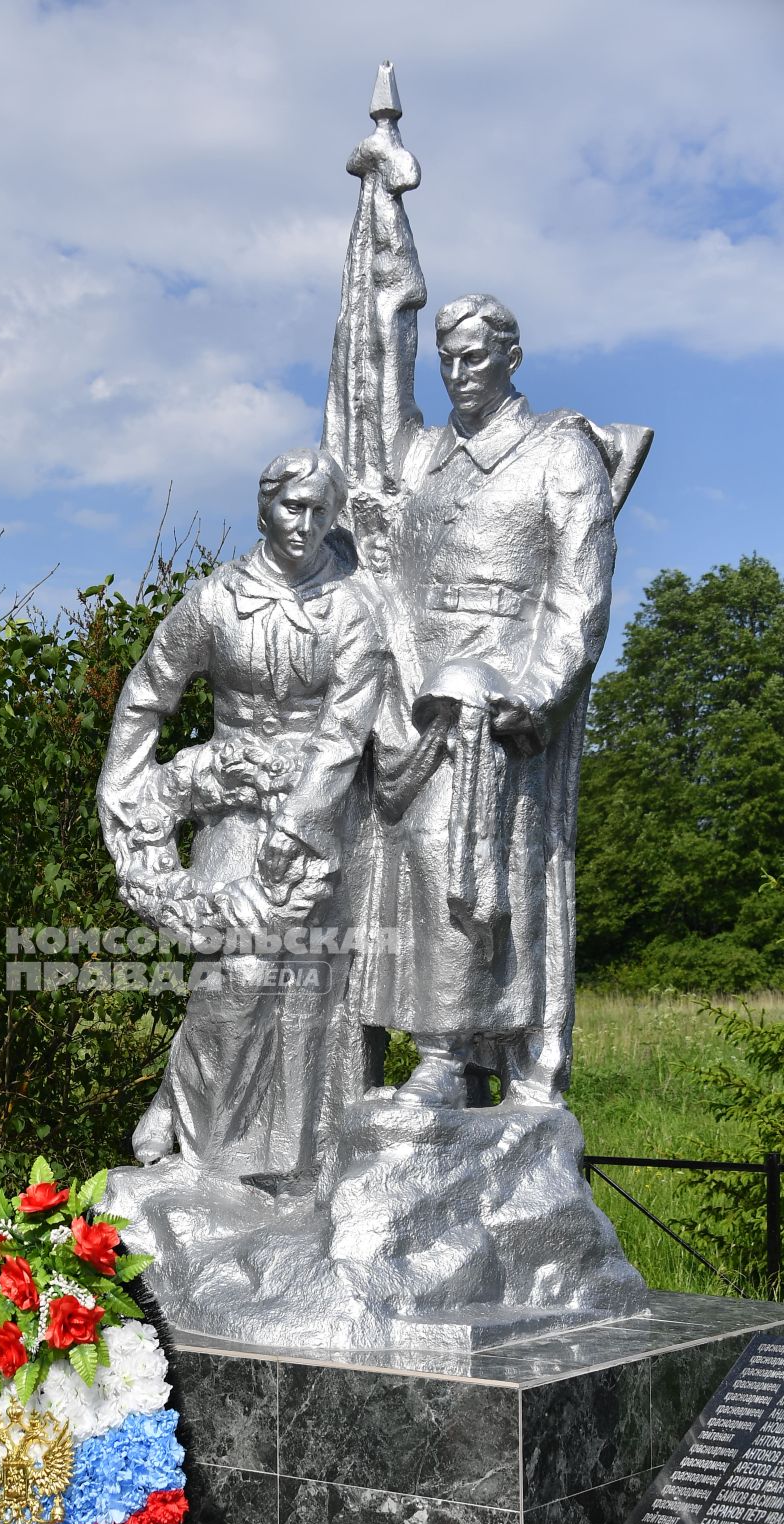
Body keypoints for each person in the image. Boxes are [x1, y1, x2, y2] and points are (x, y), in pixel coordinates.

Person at [267, 294, 622, 1108]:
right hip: (403, 685)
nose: (459, 373)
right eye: (447, 358)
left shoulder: (557, 453)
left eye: (474, 356)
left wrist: (539, 691)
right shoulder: (423, 455)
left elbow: (579, 594)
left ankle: (446, 1053)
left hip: (490, 704)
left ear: (511, 357)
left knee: (455, 864)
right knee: (387, 870)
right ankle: (390, 1053)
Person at [98, 446, 387, 1177]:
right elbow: (147, 695)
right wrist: (128, 795)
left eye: (322, 510)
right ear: (264, 506)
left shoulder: (351, 607)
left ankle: (293, 1170)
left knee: (313, 999)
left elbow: (347, 726)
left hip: (322, 820)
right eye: (294, 506)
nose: (308, 523)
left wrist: (301, 819)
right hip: (231, 807)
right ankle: (198, 1139)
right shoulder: (215, 601)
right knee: (240, 971)